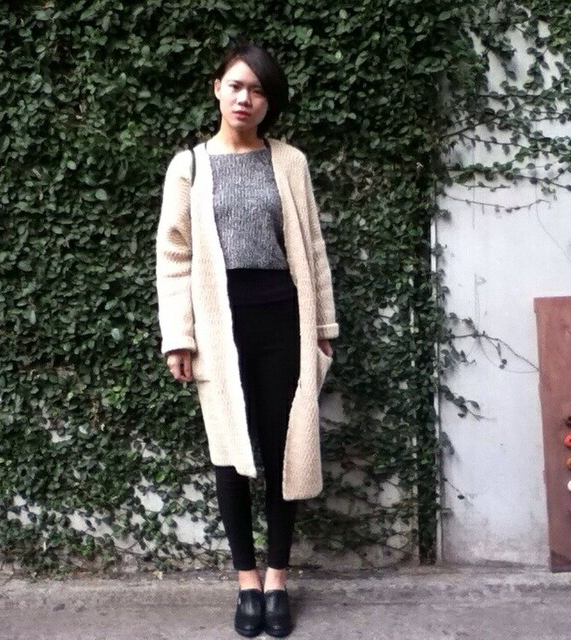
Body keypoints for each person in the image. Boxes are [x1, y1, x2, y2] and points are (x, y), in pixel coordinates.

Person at [155, 42, 338, 638]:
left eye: (257, 90)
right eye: (236, 86)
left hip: (283, 320)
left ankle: (278, 579)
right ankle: (247, 583)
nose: (245, 98)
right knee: (230, 453)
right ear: (217, 88)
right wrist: (179, 337)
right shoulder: (189, 166)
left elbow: (313, 247)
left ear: (268, 102)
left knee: (286, 451)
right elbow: (174, 257)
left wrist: (324, 329)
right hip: (219, 327)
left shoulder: (289, 162)